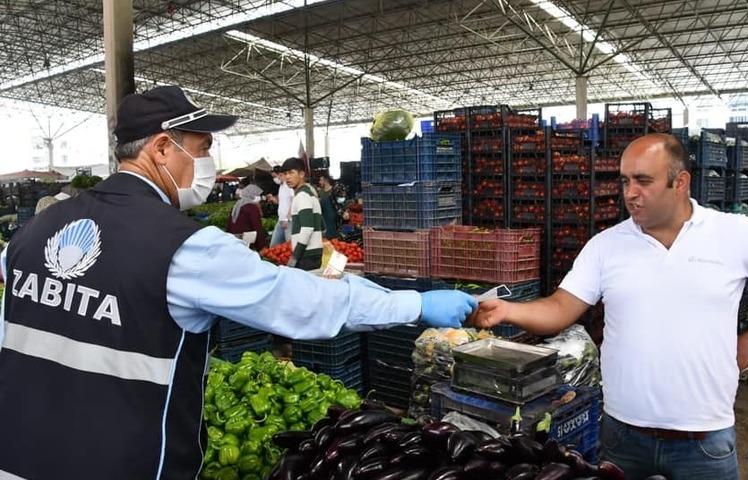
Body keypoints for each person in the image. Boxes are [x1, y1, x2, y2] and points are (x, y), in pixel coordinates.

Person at [0, 85, 477, 480]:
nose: (203, 165)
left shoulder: (32, 232)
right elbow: (302, 302)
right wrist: (413, 305)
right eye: (202, 149)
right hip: (122, 463)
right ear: (162, 147)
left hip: (19, 455)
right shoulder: (183, 248)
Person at [472, 133, 748, 480]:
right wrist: (509, 310)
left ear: (680, 182)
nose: (629, 193)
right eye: (625, 181)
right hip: (622, 434)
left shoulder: (735, 233)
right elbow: (561, 307)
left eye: (643, 181)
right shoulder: (606, 245)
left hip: (704, 438)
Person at [281, 158, 324, 270]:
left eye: (291, 172)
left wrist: (295, 256)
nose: (287, 177)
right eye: (285, 174)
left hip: (306, 255)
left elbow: (307, 228)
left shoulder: (302, 196)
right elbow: (323, 225)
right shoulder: (310, 194)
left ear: (301, 174)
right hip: (313, 253)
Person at [226, 183, 267, 251]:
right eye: (258, 195)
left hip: (234, 238)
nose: (259, 197)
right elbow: (257, 227)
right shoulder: (251, 207)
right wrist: (262, 247)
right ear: (252, 194)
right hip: (246, 239)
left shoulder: (238, 204)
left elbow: (229, 223)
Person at [267, 165, 293, 247]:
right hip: (280, 220)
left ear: (281, 174)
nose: (275, 179)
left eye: (275, 176)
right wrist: (273, 199)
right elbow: (282, 202)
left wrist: (287, 218)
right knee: (274, 246)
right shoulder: (281, 187)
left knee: (290, 246)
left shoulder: (289, 186)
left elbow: (294, 202)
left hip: (289, 221)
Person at [318, 170, 347, 239]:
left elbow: (342, 202)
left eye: (321, 180)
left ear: (325, 180)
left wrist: (344, 211)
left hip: (335, 220)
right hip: (324, 219)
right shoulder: (320, 192)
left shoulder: (335, 190)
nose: (319, 182)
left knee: (336, 237)